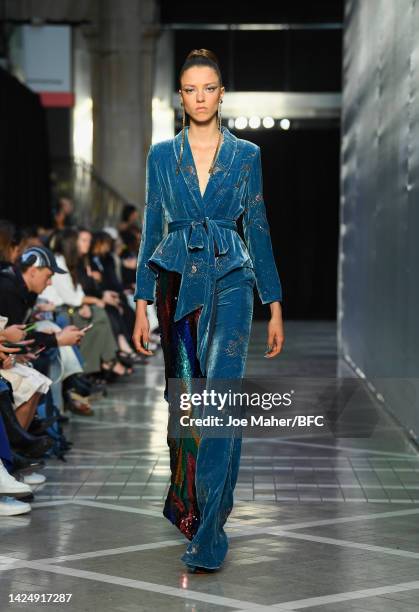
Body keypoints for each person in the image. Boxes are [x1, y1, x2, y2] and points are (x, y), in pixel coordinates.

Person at [133, 48, 285, 573]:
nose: (200, 97)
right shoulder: (160, 157)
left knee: (221, 400)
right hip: (176, 285)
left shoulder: (246, 156)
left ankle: (211, 530)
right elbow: (152, 229)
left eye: (209, 87)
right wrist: (138, 303)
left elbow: (257, 230)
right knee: (187, 408)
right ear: (181, 96)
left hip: (232, 281)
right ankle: (194, 510)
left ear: (222, 94)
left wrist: (275, 303)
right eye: (191, 89)